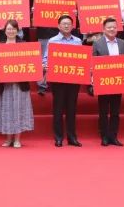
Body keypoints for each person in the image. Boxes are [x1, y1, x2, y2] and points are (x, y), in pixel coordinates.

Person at [0, 20, 33, 148]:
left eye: (13, 29)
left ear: (17, 30)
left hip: (19, 84)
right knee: (6, 110)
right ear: (5, 31)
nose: (11, 31)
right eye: (8, 29)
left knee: (18, 110)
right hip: (4, 85)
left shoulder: (23, 45)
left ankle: (17, 139)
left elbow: (30, 63)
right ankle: (8, 138)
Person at [47, 15, 83, 147]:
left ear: (73, 26)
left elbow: (82, 59)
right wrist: (46, 65)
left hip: (73, 79)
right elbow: (46, 58)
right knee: (58, 108)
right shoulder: (52, 41)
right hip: (58, 80)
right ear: (58, 26)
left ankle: (72, 137)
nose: (66, 26)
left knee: (71, 109)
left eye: (69, 23)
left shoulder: (78, 41)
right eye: (64, 23)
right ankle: (58, 137)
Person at [92, 17, 124, 147]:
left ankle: (113, 136)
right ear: (103, 29)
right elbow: (93, 62)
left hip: (118, 82)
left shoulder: (123, 43)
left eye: (114, 27)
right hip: (103, 82)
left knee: (115, 112)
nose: (112, 29)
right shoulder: (97, 43)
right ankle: (104, 136)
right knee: (103, 111)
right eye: (109, 27)